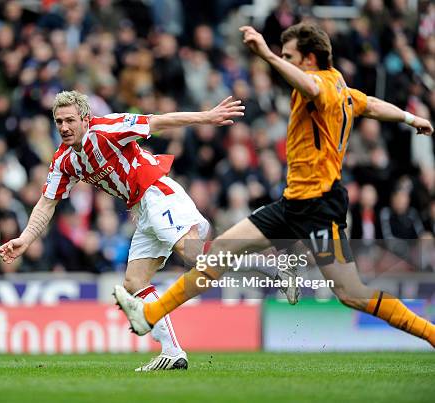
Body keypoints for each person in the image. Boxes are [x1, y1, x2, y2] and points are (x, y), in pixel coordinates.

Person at [113, 23, 435, 348]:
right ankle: (150, 314)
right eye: (281, 54)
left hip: (320, 207)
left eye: (289, 56)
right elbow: (372, 105)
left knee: (352, 294)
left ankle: (432, 334)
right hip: (292, 202)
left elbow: (308, 86)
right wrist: (410, 119)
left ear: (309, 58)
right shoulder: (340, 86)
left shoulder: (320, 84)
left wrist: (266, 54)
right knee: (221, 251)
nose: (284, 60)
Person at [0, 90, 260, 371]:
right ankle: (172, 352)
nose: (64, 127)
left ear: (86, 119)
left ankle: (269, 265)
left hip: (157, 192)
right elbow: (46, 203)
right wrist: (25, 239)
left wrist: (207, 117)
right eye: (59, 121)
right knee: (134, 283)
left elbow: (158, 122)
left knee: (192, 254)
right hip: (141, 209)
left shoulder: (108, 128)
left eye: (70, 120)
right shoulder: (64, 161)